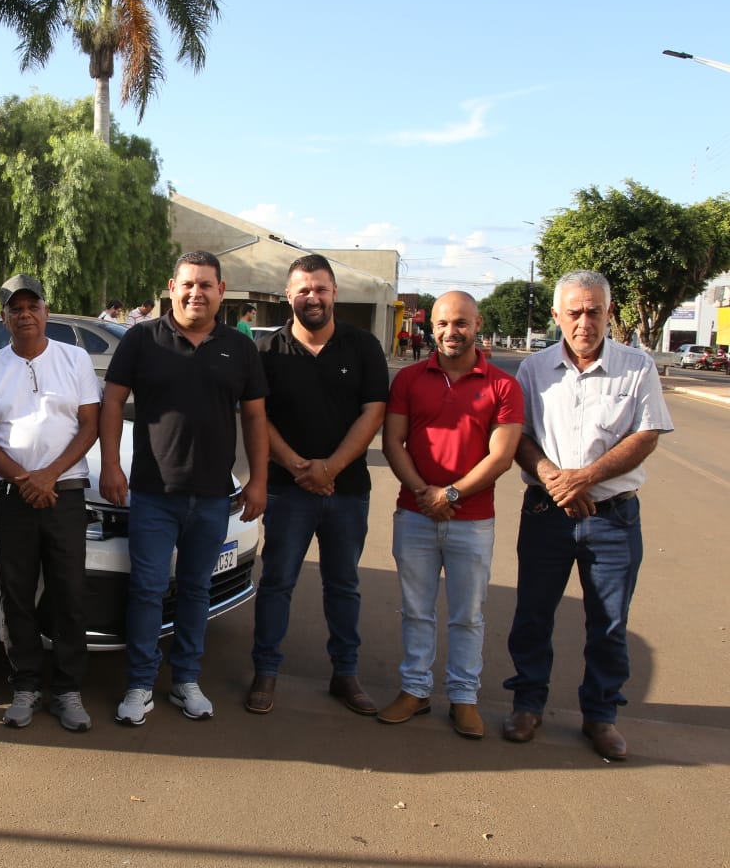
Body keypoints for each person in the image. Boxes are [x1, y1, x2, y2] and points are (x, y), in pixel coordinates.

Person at [502, 270, 673, 761]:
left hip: (613, 518)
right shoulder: (533, 370)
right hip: (545, 512)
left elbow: (646, 436)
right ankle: (527, 704)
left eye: (594, 311)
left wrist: (586, 478)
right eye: (574, 312)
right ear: (557, 315)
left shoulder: (637, 367)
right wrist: (557, 479)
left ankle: (601, 716)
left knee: (609, 621)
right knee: (533, 614)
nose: (584, 322)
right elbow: (519, 435)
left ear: (607, 314)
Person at [101, 250, 268, 724]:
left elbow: (255, 416)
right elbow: (112, 403)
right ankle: (139, 685)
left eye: (207, 285)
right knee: (148, 590)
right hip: (154, 494)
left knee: (197, 590)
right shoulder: (141, 340)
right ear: (171, 288)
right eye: (188, 284)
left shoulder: (240, 348)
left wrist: (259, 479)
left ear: (221, 291)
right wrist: (112, 465)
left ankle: (186, 680)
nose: (197, 292)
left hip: (215, 497)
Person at [246, 253, 388, 717]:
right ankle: (265, 672)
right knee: (277, 583)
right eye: (303, 290)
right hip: (289, 492)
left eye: (321, 289)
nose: (313, 297)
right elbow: (256, 416)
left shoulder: (362, 346)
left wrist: (331, 467)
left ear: (334, 294)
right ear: (288, 295)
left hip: (347, 492)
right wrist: (298, 466)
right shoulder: (266, 352)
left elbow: (374, 412)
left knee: (343, 584)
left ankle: (345, 674)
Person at [378, 291, 523, 739]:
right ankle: (415, 690)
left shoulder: (502, 385)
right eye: (442, 324)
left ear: (477, 324)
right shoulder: (409, 380)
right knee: (416, 611)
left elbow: (502, 456)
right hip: (416, 514)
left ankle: (464, 697)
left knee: (468, 614)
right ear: (431, 327)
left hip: (473, 521)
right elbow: (392, 443)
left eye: (460, 323)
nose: (450, 332)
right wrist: (425, 493)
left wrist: (452, 494)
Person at [0, 274, 100, 731]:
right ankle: (25, 684)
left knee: (69, 594)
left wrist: (49, 475)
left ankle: (67, 690)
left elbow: (90, 425)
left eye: (32, 306)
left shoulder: (75, 358)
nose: (24, 314)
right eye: (14, 308)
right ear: (4, 317)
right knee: (17, 595)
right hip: (14, 497)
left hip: (64, 494)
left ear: (46, 311)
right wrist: (25, 479)